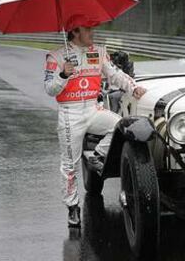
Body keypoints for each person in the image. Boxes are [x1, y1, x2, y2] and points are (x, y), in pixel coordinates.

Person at [44, 26, 146, 227]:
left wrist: (133, 88)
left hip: (93, 108)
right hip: (69, 112)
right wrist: (63, 74)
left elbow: (115, 74)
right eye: (87, 29)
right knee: (69, 164)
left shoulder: (98, 52)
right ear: (74, 32)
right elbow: (49, 89)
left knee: (121, 126)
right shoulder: (55, 56)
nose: (92, 32)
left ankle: (97, 155)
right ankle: (73, 208)